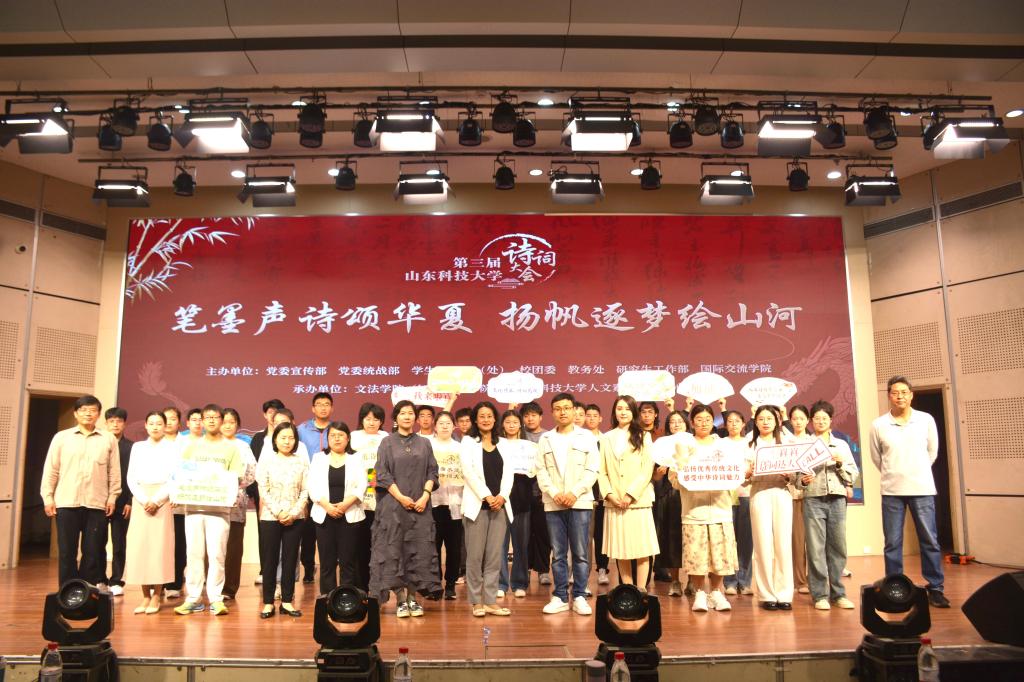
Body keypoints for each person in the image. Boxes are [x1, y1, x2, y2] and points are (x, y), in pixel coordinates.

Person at [870, 376, 949, 608]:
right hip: (891, 490)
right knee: (892, 543)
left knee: (929, 540)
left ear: (911, 395)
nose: (900, 396)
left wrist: (917, 471)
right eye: (895, 392)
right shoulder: (878, 425)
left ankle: (935, 588)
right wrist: (894, 472)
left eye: (904, 392)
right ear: (889, 395)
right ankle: (895, 588)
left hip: (922, 488)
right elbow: (877, 457)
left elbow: (932, 452)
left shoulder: (925, 420)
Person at [369, 400, 440, 617]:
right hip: (394, 507)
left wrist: (425, 496)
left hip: (420, 507)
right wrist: (401, 497)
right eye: (402, 413)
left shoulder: (424, 443)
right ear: (395, 417)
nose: (407, 416)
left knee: (417, 551)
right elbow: (381, 474)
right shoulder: (387, 443)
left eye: (410, 413)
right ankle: (400, 599)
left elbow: (432, 471)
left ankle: (413, 598)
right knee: (395, 551)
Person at [40, 394, 120, 588]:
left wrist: (113, 497)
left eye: (92, 410)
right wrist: (48, 497)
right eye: (83, 410)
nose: (88, 414)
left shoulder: (108, 439)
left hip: (97, 503)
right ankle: (67, 592)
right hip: (67, 501)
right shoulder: (61, 438)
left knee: (92, 552)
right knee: (67, 552)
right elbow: (51, 469)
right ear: (76, 414)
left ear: (98, 414)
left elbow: (114, 471)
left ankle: (87, 593)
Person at [173, 405, 244, 617]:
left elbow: (236, 477)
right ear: (202, 421)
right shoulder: (191, 447)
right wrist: (177, 493)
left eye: (215, 417)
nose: (212, 420)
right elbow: (181, 474)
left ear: (221, 420)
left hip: (219, 510)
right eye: (207, 417)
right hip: (194, 508)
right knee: (194, 554)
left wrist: (230, 493)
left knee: (217, 555)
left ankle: (215, 599)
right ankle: (193, 598)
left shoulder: (231, 448)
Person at [535, 392, 600, 615]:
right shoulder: (545, 438)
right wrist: (555, 493)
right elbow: (540, 470)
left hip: (580, 501)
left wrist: (574, 493)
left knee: (581, 552)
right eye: (558, 408)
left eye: (566, 408)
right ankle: (560, 596)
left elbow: (592, 469)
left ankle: (580, 595)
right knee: (558, 553)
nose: (562, 412)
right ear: (552, 412)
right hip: (554, 502)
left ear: (574, 410)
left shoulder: (587, 437)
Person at [670, 404, 736, 612]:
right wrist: (682, 472)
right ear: (692, 422)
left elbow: (735, 470)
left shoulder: (724, 445)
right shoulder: (684, 446)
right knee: (696, 554)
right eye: (699, 419)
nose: (704, 423)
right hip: (694, 510)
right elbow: (674, 480)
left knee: (720, 554)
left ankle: (716, 592)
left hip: (720, 508)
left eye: (708, 419)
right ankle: (699, 593)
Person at [798, 400, 859, 610]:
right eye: (817, 418)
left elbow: (853, 474)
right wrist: (802, 480)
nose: (821, 421)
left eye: (825, 418)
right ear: (811, 421)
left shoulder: (841, 445)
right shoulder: (805, 445)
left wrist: (840, 463)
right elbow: (795, 478)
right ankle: (820, 595)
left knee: (838, 547)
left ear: (831, 420)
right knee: (815, 548)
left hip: (837, 498)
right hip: (813, 499)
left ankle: (838, 594)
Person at [460, 401, 514, 617]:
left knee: (494, 557)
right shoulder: (468, 442)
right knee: (474, 557)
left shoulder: (504, 444)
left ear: (495, 419)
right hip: (477, 506)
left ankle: (491, 601)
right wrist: (486, 495)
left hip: (499, 507)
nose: (486, 419)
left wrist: (501, 496)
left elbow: (509, 474)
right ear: (475, 419)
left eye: (489, 416)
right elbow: (468, 472)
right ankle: (476, 601)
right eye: (481, 416)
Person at [599, 396, 658, 589]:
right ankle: (628, 590)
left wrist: (630, 494)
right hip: (614, 502)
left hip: (638, 501)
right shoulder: (606, 437)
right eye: (619, 408)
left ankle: (641, 591)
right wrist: (610, 495)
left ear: (633, 412)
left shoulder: (644, 435)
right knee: (620, 549)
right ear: (614, 412)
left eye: (627, 409)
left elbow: (647, 469)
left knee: (642, 549)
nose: (623, 412)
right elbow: (601, 471)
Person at [255, 421, 309, 618]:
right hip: (271, 517)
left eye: (291, 438)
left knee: (290, 559)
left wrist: (293, 513)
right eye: (283, 437)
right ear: (275, 440)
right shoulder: (267, 461)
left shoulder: (302, 462)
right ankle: (268, 602)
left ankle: (287, 601)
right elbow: (263, 489)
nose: (287, 441)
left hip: (296, 517)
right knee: (269, 560)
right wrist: (278, 512)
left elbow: (306, 490)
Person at [124, 411, 176, 614]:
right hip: (141, 499)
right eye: (151, 423)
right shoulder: (138, 447)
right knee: (140, 546)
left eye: (159, 423)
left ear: (165, 426)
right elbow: (131, 477)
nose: (155, 427)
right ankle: (145, 595)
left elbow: (174, 478)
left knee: (159, 547)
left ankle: (157, 595)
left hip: (161, 500)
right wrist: (144, 499)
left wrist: (157, 500)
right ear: (145, 425)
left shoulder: (173, 447)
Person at [309, 421, 368, 595]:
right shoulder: (318, 458)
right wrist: (327, 506)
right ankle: (327, 598)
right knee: (327, 562)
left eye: (341, 435)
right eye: (333, 435)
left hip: (349, 515)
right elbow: (312, 486)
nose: (337, 438)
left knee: (348, 562)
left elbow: (362, 485)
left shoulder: (356, 458)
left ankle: (346, 598)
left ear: (347, 438)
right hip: (324, 514)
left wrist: (345, 504)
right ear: (327, 439)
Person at [746, 405, 795, 611]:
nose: (765, 422)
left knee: (783, 544)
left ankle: (784, 594)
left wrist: (790, 475)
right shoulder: (749, 444)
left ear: (777, 421)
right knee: (762, 544)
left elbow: (797, 476)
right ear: (755, 422)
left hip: (782, 492)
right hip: (759, 492)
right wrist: (748, 472)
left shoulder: (787, 443)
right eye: (761, 419)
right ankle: (766, 594)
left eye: (769, 418)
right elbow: (741, 477)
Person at [497, 409, 538, 598]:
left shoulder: (530, 447)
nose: (512, 425)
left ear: (520, 425)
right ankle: (501, 583)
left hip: (522, 500)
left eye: (515, 422)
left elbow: (536, 471)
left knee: (521, 544)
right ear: (502, 425)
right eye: (508, 422)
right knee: (500, 544)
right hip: (501, 500)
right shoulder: (496, 445)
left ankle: (520, 583)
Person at [650, 409, 691, 596]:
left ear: (686, 424)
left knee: (691, 538)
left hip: (690, 494)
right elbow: (655, 477)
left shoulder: (693, 442)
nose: (676, 424)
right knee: (671, 538)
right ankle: (675, 581)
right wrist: (660, 473)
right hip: (668, 495)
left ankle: (692, 580)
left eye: (680, 421)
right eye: (672, 421)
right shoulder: (661, 445)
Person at [247, 398, 285, 587]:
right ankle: (265, 570)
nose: (273, 415)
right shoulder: (258, 439)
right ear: (265, 414)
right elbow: (252, 467)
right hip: (262, 495)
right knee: (265, 534)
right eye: (270, 411)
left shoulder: (288, 437)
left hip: (285, 495)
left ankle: (282, 574)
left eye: (277, 411)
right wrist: (255, 492)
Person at [164, 407, 202, 598]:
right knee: (165, 544)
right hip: (164, 502)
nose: (168, 422)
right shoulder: (159, 443)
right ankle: (162, 582)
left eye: (172, 419)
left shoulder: (194, 443)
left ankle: (179, 582)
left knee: (183, 544)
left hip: (186, 502)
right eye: (165, 419)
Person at [296, 393, 333, 584]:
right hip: (308, 487)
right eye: (319, 404)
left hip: (330, 487)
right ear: (313, 408)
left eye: (327, 404)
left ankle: (329, 568)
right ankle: (308, 568)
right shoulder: (301, 430)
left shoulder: (336, 429)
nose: (323, 408)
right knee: (308, 533)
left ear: (332, 408)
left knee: (328, 531)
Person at [351, 402, 387, 592]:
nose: (371, 422)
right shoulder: (353, 437)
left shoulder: (387, 438)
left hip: (381, 498)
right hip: (357, 500)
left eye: (376, 419)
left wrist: (375, 479)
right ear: (361, 420)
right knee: (360, 545)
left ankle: (379, 587)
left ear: (381, 421)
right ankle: (361, 586)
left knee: (380, 545)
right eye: (368, 419)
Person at [221, 408, 256, 601]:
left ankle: (229, 588)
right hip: (212, 503)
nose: (227, 425)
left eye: (232, 422)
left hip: (236, 501)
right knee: (213, 547)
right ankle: (212, 586)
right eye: (224, 421)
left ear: (238, 425)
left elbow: (251, 473)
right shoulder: (211, 445)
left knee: (233, 547)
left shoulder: (243, 447)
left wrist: (232, 486)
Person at [429, 411, 464, 600]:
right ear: (435, 426)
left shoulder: (460, 448)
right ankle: (434, 585)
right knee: (433, 547)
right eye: (441, 423)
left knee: (454, 548)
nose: (444, 426)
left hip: (455, 504)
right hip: (433, 503)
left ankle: (450, 585)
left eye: (448, 423)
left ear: (453, 426)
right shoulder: (428, 446)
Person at [722, 410, 754, 596]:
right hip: (726, 495)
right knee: (728, 540)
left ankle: (745, 581)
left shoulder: (750, 443)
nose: (733, 424)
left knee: (746, 540)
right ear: (726, 424)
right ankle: (730, 582)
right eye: (730, 421)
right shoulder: (720, 444)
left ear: (743, 424)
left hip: (746, 493)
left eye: (737, 421)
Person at [520, 401, 552, 587]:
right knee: (523, 533)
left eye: (533, 415)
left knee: (542, 532)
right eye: (526, 415)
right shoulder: (518, 436)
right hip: (521, 491)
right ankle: (523, 568)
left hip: (542, 491)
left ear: (541, 417)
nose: (530, 418)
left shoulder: (548, 437)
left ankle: (543, 570)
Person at [104, 407, 133, 596]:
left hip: (122, 502)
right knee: (97, 542)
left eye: (119, 421)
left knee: (119, 542)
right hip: (99, 500)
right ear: (106, 423)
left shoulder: (131, 447)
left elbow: (133, 475)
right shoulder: (100, 444)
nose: (115, 424)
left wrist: (130, 500)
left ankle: (116, 581)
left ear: (124, 423)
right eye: (111, 421)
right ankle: (99, 578)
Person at [787, 405, 813, 596]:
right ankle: (800, 581)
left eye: (801, 418)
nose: (798, 422)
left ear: (807, 420)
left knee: (815, 542)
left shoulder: (814, 442)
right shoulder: (785, 442)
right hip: (794, 495)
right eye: (794, 418)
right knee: (797, 541)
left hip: (814, 496)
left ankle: (816, 579)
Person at [584, 404, 611, 586]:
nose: (592, 418)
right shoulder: (580, 439)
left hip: (603, 495)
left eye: (595, 415)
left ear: (600, 418)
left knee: (602, 535)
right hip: (585, 494)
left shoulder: (606, 440)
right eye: (589, 415)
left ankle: (602, 569)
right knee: (585, 536)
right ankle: (582, 573)